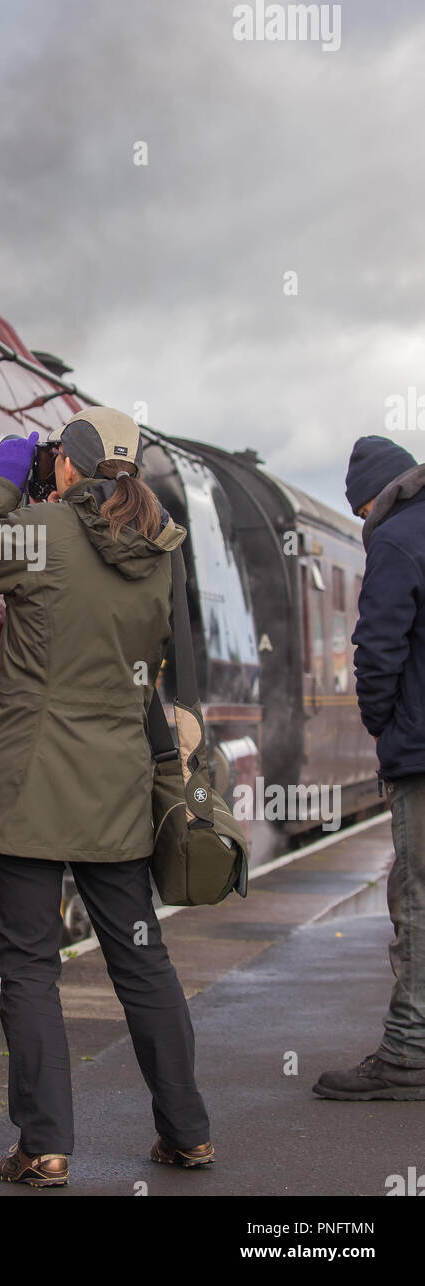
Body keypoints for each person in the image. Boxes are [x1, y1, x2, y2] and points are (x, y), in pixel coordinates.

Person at [0, 406, 213, 1187]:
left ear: (69, 469)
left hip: (29, 791)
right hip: (117, 790)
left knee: (30, 967)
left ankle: (44, 1147)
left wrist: (2, 484)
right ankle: (188, 1132)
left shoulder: (40, 533)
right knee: (143, 961)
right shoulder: (160, 551)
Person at [314, 435, 425, 1100]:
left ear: (372, 499)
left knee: (415, 900)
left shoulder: (395, 537)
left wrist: (385, 724)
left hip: (421, 753)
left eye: (359, 513)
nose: (362, 525)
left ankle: (409, 1052)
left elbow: (378, 646)